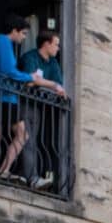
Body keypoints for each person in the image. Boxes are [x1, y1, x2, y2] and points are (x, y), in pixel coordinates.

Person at [0, 20, 65, 181]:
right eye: (23, 33)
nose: (24, 38)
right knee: (22, 135)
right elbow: (10, 71)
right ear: (14, 30)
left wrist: (40, 81)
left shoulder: (52, 62)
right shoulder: (3, 41)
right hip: (5, 96)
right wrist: (31, 77)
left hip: (2, 95)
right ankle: (1, 170)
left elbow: (57, 82)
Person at [23, 30, 69, 190]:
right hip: (24, 104)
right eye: (56, 44)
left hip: (39, 107)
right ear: (46, 44)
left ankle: (33, 177)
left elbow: (58, 84)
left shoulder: (53, 63)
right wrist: (51, 85)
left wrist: (45, 83)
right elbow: (30, 81)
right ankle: (31, 178)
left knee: (33, 141)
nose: (58, 48)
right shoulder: (30, 57)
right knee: (27, 141)